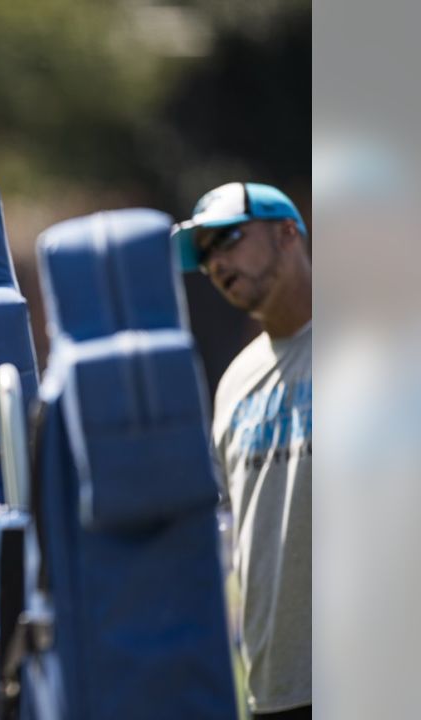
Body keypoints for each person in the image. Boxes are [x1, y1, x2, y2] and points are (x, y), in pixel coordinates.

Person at [172, 182, 312, 719]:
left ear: (287, 233)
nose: (216, 263)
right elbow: (229, 529)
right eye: (204, 255)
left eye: (228, 239)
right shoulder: (235, 383)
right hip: (275, 688)